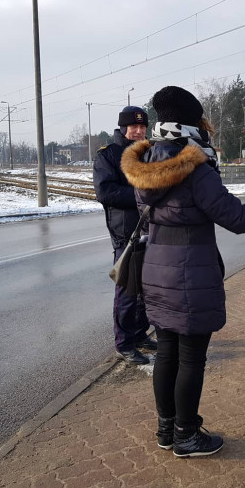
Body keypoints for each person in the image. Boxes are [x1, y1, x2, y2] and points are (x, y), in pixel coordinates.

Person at [121, 86, 245, 457]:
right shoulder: (195, 167)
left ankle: (166, 430)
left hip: (157, 267)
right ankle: (187, 435)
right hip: (190, 272)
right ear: (192, 123)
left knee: (167, 353)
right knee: (191, 357)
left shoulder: (145, 161)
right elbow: (240, 219)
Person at [93, 106, 157, 366]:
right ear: (122, 127)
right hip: (126, 233)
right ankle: (124, 343)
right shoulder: (108, 156)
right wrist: (143, 196)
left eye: (142, 127)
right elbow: (105, 193)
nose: (139, 131)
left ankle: (140, 334)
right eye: (133, 127)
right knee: (127, 291)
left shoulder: (150, 152)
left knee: (146, 291)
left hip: (152, 229)